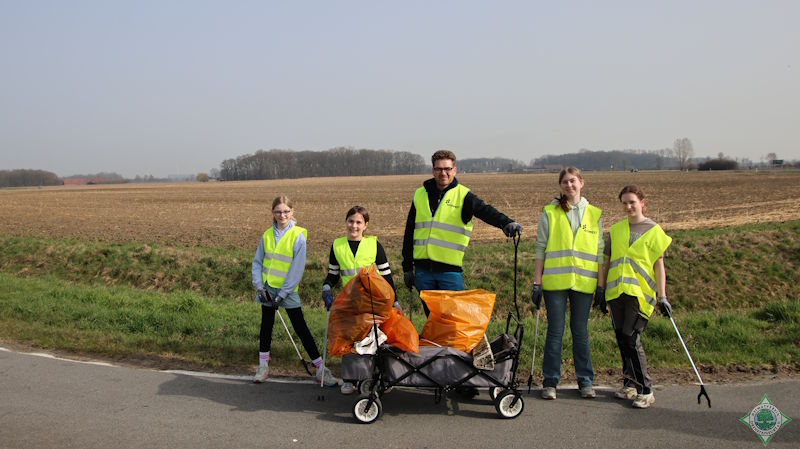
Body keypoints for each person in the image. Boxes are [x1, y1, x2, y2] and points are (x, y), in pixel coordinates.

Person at [401, 149, 522, 315]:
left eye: (447, 169)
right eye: (439, 169)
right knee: (432, 321)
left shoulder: (464, 196)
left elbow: (485, 211)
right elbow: (409, 232)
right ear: (433, 171)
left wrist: (506, 223)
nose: (443, 173)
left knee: (454, 322)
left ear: (454, 170)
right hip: (423, 272)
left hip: (449, 273)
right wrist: (407, 267)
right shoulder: (419, 195)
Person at [530, 167, 605, 400]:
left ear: (581, 182)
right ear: (560, 186)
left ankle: (585, 381)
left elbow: (600, 252)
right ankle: (550, 381)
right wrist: (537, 282)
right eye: (565, 182)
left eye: (573, 181)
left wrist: (601, 286)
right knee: (555, 331)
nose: (569, 185)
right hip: (555, 282)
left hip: (584, 282)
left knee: (580, 332)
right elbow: (540, 248)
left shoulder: (595, 214)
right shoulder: (550, 212)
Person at [251, 196, 338, 387]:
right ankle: (263, 367)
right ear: (272, 213)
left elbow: (296, 270)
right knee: (266, 327)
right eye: (278, 211)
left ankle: (320, 368)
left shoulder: (298, 235)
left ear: (292, 212)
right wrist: (259, 287)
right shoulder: (267, 235)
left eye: (286, 211)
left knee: (300, 327)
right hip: (267, 289)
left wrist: (282, 294)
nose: (282, 215)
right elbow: (257, 262)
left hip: (287, 291)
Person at [602, 185, 672, 409]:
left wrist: (662, 296)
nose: (628, 206)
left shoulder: (654, 231)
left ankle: (646, 390)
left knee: (631, 339)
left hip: (640, 296)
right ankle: (630, 384)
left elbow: (659, 266)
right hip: (617, 292)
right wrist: (601, 289)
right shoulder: (616, 230)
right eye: (624, 203)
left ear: (642, 202)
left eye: (632, 202)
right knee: (622, 339)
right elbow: (607, 261)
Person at [320, 205, 398, 395]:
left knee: (373, 340)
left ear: (365, 225)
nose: (354, 226)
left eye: (358, 222)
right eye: (350, 221)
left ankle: (374, 377)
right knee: (349, 340)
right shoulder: (337, 246)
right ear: (346, 222)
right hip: (349, 302)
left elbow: (386, 275)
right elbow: (333, 274)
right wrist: (327, 286)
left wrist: (394, 300)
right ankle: (349, 380)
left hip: (373, 302)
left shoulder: (374, 245)